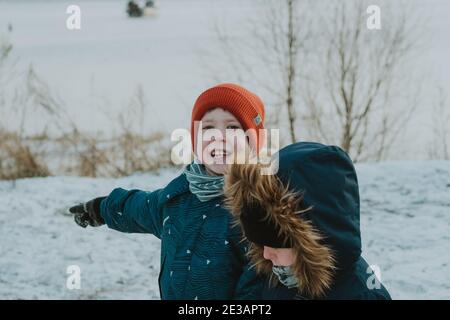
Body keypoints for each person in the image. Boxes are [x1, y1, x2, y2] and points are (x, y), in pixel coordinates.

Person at [69, 83, 269, 299]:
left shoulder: (258, 209)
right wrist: (101, 208)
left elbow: (259, 291)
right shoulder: (179, 197)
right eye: (208, 128)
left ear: (252, 141)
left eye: (232, 128)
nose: (219, 137)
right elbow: (139, 208)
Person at [224, 142, 392, 299]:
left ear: (318, 237)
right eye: (260, 243)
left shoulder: (363, 295)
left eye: (276, 244)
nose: (266, 254)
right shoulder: (278, 277)